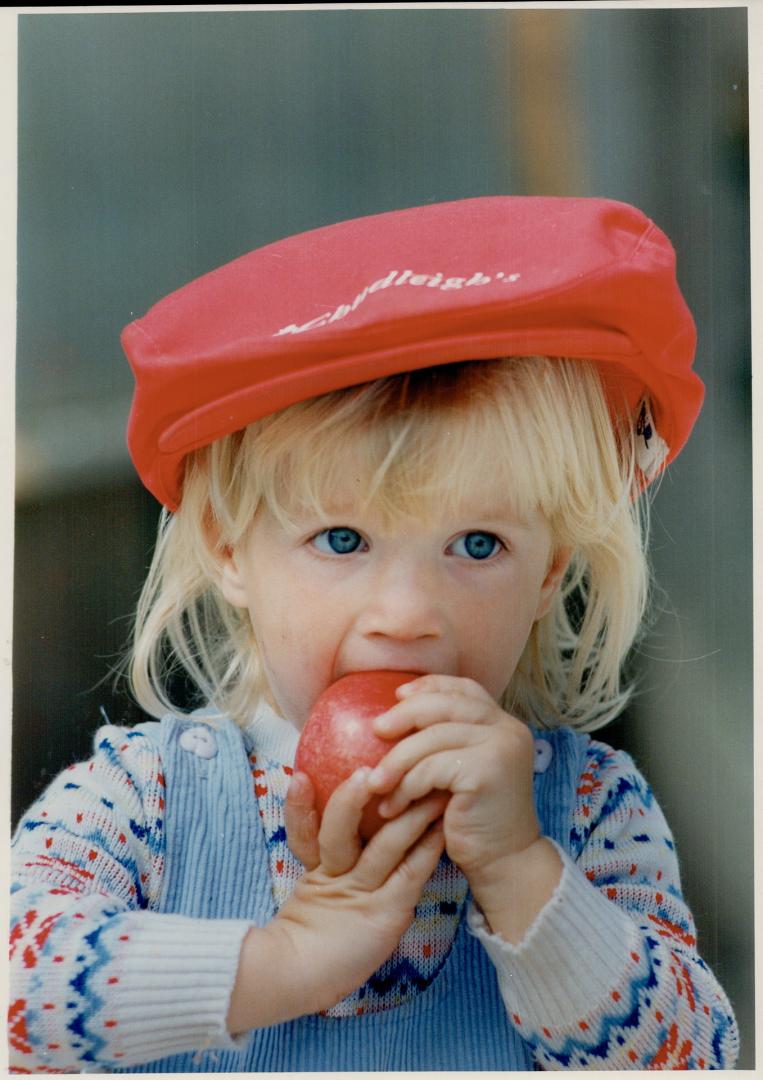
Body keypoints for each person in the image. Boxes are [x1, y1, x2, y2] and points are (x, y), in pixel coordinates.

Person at [10, 196, 740, 1071]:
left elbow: (697, 1056)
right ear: (226, 546)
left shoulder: (586, 813)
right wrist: (285, 959)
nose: (406, 614)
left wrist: (522, 876)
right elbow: (18, 996)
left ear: (549, 574)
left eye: (477, 545)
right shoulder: (142, 802)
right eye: (342, 541)